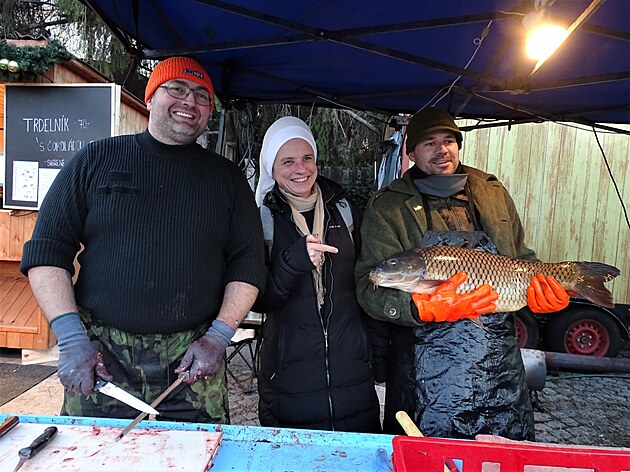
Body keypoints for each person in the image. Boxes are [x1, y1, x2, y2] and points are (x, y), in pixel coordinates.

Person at [20, 56, 266, 424]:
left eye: (201, 96)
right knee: (95, 456)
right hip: (101, 357)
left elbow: (248, 264)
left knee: (196, 456)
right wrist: (71, 338)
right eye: (177, 89)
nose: (189, 102)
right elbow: (46, 253)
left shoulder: (227, 179)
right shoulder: (94, 161)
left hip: (193, 359)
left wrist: (219, 336)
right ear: (150, 98)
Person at [355, 108, 569, 440]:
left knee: (500, 457)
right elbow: (368, 288)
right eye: (429, 143)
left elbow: (521, 258)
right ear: (410, 153)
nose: (442, 150)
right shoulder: (388, 206)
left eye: (448, 141)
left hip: (498, 368)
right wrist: (418, 307)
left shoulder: (491, 191)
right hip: (426, 375)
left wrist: (539, 294)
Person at [253, 116, 385, 433]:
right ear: (271, 168)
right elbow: (259, 299)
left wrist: (377, 354)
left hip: (352, 373)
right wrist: (293, 261)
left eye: (307, 158)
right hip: (289, 377)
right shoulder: (260, 219)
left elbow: (369, 283)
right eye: (287, 161)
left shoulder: (345, 209)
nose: (301, 169)